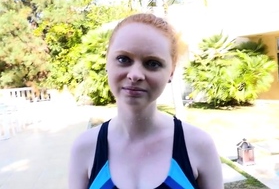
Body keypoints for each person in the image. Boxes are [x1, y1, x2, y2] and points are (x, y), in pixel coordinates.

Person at [68, 13, 223, 189]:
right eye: (123, 59)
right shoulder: (85, 148)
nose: (135, 75)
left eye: (152, 63)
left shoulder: (198, 145)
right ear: (107, 62)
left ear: (171, 72)